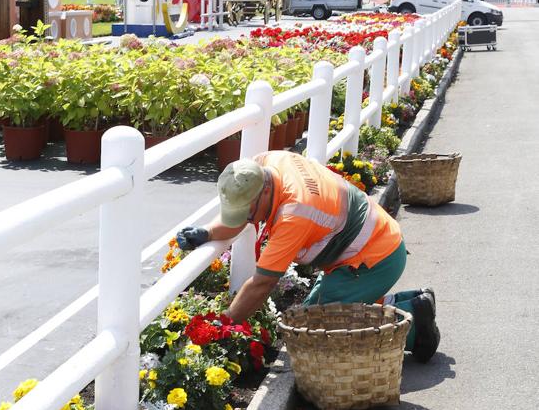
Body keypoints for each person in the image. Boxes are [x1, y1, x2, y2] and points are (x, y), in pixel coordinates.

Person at [177, 152, 440, 362]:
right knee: (309, 315)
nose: (247, 220)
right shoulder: (266, 164)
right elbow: (243, 211)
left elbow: (261, 284)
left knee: (318, 329)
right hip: (373, 247)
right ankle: (411, 302)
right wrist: (209, 231)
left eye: (248, 214)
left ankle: (414, 325)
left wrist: (222, 326)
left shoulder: (295, 213)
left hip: (374, 260)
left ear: (265, 191)